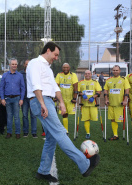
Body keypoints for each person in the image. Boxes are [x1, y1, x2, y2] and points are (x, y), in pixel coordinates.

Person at [26, 42, 100, 183]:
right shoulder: (35, 63)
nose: (56, 58)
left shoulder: (47, 68)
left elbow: (55, 87)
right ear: (48, 50)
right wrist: (43, 104)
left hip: (47, 101)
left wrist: (61, 102)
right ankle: (84, 165)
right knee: (60, 132)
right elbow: (36, 85)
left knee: (52, 138)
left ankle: (42, 171)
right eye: (55, 54)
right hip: (39, 100)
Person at [0, 58, 25, 139]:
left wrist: (21, 99)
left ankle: (17, 133)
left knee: (17, 116)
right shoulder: (5, 75)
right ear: (9, 65)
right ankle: (9, 132)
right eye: (12, 64)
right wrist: (2, 99)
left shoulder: (20, 76)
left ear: (17, 65)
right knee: (9, 116)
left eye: (15, 64)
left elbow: (23, 88)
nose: (14, 65)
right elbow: (2, 88)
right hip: (7, 99)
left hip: (16, 99)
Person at [104, 65, 130, 140]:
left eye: (116, 70)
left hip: (120, 104)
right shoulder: (109, 80)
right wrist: (106, 99)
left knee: (119, 120)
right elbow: (105, 90)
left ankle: (121, 134)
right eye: (114, 70)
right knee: (112, 119)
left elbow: (127, 90)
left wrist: (125, 100)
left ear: (119, 71)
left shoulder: (123, 79)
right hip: (111, 103)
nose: (115, 71)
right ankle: (115, 135)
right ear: (112, 71)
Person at [55, 63, 78, 135]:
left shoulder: (73, 75)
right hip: (62, 99)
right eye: (64, 67)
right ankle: (66, 131)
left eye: (67, 67)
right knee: (64, 114)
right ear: (62, 68)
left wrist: (75, 97)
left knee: (72, 114)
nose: (65, 69)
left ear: (69, 68)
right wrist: (56, 97)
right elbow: (56, 86)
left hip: (70, 99)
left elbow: (76, 87)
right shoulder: (59, 75)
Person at [78, 70, 102, 139]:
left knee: (94, 118)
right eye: (86, 74)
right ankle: (88, 133)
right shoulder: (81, 82)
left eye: (88, 73)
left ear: (91, 74)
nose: (87, 75)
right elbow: (78, 91)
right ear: (84, 75)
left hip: (93, 104)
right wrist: (82, 94)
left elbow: (99, 91)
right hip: (84, 104)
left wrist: (93, 97)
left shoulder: (95, 82)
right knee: (86, 119)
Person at [20, 60, 37, 138]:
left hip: (33, 97)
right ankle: (25, 132)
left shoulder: (34, 73)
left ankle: (34, 132)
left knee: (33, 115)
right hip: (24, 98)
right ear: (24, 65)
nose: (27, 65)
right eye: (26, 64)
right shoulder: (20, 74)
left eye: (29, 64)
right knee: (24, 115)